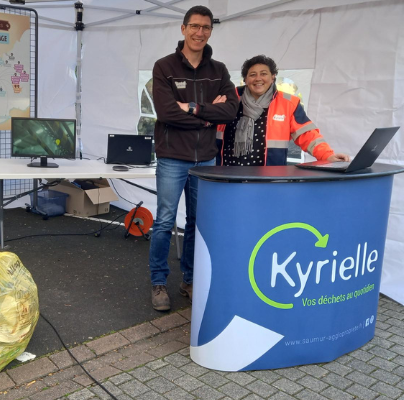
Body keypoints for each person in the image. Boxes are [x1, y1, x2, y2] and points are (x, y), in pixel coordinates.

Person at [149, 5, 238, 311]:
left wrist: (192, 108)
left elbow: (231, 110)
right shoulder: (164, 67)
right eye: (195, 26)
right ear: (183, 28)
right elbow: (166, 112)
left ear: (211, 31)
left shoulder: (220, 70)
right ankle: (158, 282)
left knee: (198, 223)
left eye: (206, 27)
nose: (200, 32)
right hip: (173, 157)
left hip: (206, 160)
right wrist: (207, 115)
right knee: (163, 222)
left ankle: (189, 279)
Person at [218, 55, 349, 166]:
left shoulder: (288, 103)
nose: (258, 78)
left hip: (268, 178)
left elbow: (307, 135)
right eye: (252, 75)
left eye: (264, 74)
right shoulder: (229, 99)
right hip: (226, 174)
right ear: (245, 79)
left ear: (273, 76)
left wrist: (328, 156)